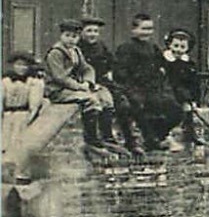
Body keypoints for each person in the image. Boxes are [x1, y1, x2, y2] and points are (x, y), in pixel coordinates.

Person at [43, 20, 122, 155]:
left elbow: (87, 68)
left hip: (74, 87)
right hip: (58, 90)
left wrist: (88, 82)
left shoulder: (76, 51)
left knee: (106, 98)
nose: (71, 39)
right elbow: (59, 77)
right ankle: (92, 139)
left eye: (74, 37)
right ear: (61, 36)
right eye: (67, 35)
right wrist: (79, 87)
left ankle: (107, 137)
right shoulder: (55, 52)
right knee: (91, 100)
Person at [112, 13, 182, 153]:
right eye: (143, 29)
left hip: (154, 88)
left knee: (176, 111)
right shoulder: (126, 48)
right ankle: (149, 140)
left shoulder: (153, 47)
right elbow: (121, 74)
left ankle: (158, 136)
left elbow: (161, 69)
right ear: (134, 30)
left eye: (150, 29)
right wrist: (131, 90)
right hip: (134, 88)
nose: (147, 32)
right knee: (139, 107)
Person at [79, 17, 141, 153]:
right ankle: (104, 137)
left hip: (103, 81)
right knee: (102, 103)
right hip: (85, 83)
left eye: (95, 31)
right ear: (81, 32)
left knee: (123, 102)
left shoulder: (100, 45)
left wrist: (111, 72)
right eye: (89, 31)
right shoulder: (77, 48)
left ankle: (130, 141)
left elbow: (112, 61)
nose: (93, 34)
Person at [162, 29, 203, 148]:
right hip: (168, 93)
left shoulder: (189, 64)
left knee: (190, 111)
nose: (178, 49)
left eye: (182, 47)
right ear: (169, 45)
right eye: (175, 46)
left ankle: (191, 136)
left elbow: (194, 83)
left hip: (184, 94)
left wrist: (193, 99)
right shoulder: (164, 62)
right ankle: (165, 136)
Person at [2, 52, 45, 121]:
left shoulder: (33, 82)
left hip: (24, 116)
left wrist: (29, 119)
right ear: (13, 65)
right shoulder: (5, 81)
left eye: (25, 65)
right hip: (6, 116)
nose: (21, 68)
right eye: (18, 65)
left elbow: (34, 103)